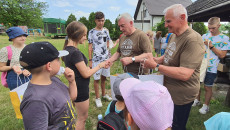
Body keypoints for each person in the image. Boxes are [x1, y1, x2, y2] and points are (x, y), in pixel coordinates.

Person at [142, 4, 205, 130]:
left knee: (177, 126)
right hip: (169, 92)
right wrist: (154, 59)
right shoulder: (174, 35)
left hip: (181, 97)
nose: (165, 25)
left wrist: (156, 66)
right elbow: (167, 56)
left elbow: (185, 73)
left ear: (182, 17)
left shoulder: (193, 39)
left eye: (168, 21)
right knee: (167, 124)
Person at [19, 42, 77, 129]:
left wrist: (72, 82)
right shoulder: (36, 101)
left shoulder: (53, 79)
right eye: (58, 59)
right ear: (49, 66)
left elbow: (71, 98)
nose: (60, 61)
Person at [63, 21, 108, 129]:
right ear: (77, 35)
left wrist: (86, 68)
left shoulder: (67, 50)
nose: (85, 38)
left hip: (74, 86)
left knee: (78, 116)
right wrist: (100, 66)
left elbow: (78, 69)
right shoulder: (75, 52)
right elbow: (86, 74)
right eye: (83, 35)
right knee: (82, 118)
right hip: (80, 89)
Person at [192, 17, 230, 114]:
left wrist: (211, 46)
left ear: (219, 25)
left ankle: (206, 106)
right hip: (200, 65)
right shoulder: (204, 36)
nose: (211, 30)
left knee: (207, 87)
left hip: (212, 67)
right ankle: (197, 100)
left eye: (213, 28)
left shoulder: (224, 38)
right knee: (197, 84)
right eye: (209, 28)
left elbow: (222, 55)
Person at [88, 12, 112, 108]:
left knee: (104, 78)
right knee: (96, 79)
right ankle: (97, 98)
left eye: (102, 20)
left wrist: (108, 57)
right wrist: (90, 60)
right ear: (95, 21)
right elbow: (90, 47)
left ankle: (104, 95)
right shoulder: (91, 32)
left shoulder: (106, 31)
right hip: (96, 60)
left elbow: (107, 44)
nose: (101, 23)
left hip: (105, 59)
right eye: (99, 21)